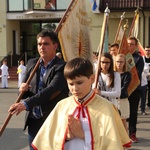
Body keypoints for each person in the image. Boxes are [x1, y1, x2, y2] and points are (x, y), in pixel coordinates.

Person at [32, 57, 131, 150]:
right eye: (71, 84)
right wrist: (66, 136)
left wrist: (83, 135)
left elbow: (112, 143)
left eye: (79, 83)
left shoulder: (107, 108)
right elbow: (49, 139)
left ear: (92, 79)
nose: (75, 88)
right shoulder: (62, 106)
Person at [8, 29, 69, 150]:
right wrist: (22, 90)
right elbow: (24, 92)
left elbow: (51, 90)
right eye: (39, 44)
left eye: (46, 44)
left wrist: (26, 104)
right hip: (33, 121)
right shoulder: (32, 63)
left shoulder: (62, 67)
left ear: (55, 46)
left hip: (53, 121)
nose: (42, 47)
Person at [127, 37, 144, 143]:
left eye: (132, 44)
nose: (129, 46)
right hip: (122, 89)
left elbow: (137, 73)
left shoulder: (139, 58)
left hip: (134, 89)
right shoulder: (122, 56)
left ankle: (132, 133)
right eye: (128, 44)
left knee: (133, 112)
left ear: (136, 45)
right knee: (121, 113)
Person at [114, 54, 131, 133]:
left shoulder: (127, 74)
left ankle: (126, 140)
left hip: (122, 99)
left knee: (123, 120)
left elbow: (124, 87)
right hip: (112, 99)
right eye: (117, 61)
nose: (119, 64)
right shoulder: (112, 74)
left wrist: (116, 94)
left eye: (121, 62)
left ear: (124, 63)